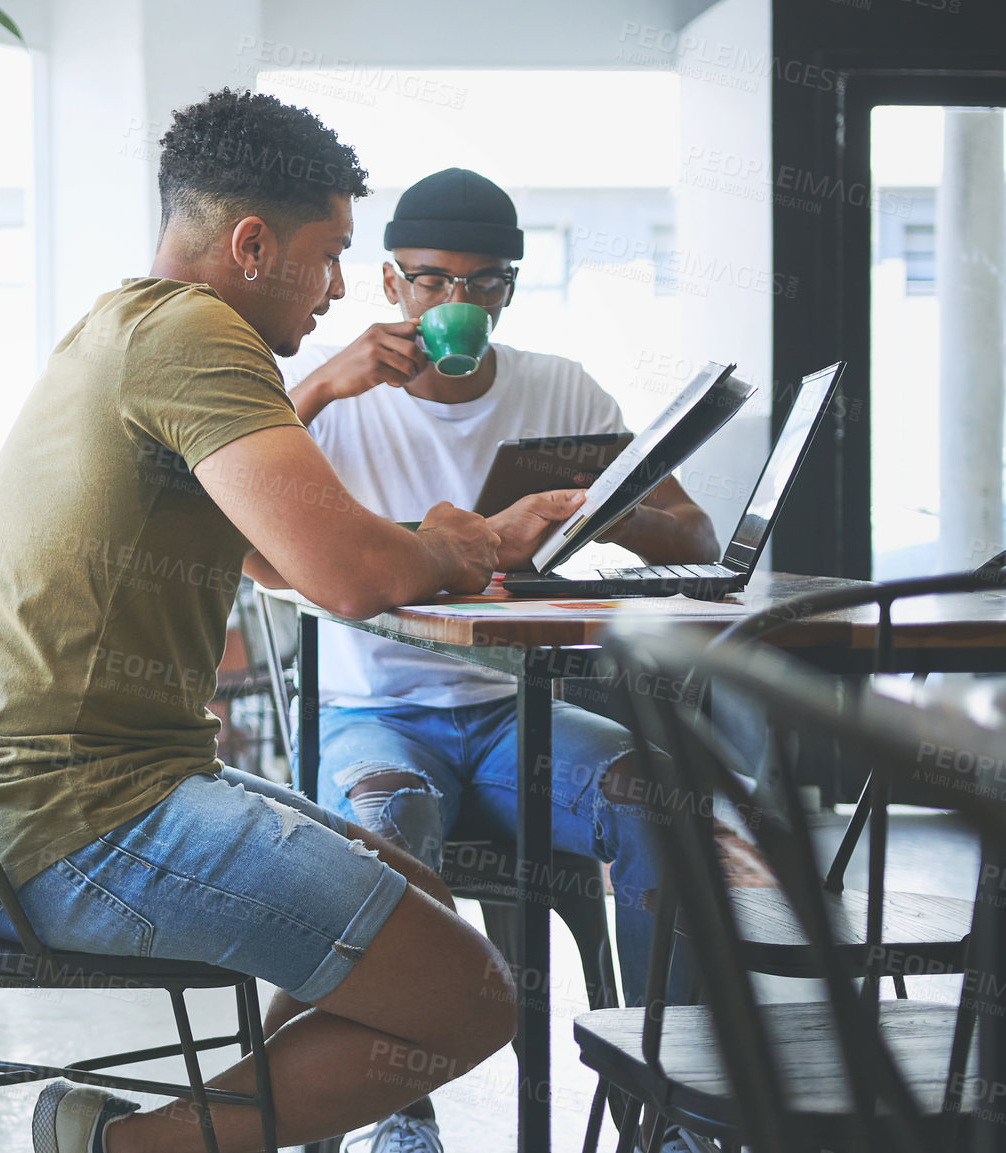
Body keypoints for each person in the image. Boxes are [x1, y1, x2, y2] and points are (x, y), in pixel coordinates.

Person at [0, 92, 578, 1153]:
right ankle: (124, 1148)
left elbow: (281, 552)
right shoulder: (196, 337)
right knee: (474, 999)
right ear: (251, 242)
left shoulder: (127, 323)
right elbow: (349, 576)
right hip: (73, 825)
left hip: (47, 803)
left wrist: (428, 541)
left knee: (410, 888)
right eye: (328, 258)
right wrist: (478, 544)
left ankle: (202, 1133)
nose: (333, 290)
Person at [278, 167, 715, 1153]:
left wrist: (600, 499)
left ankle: (667, 1104)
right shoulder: (335, 398)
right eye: (431, 282)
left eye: (482, 285)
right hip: (370, 713)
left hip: (509, 714)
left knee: (664, 793)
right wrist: (319, 383)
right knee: (389, 818)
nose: (455, 305)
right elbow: (237, 513)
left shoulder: (558, 388)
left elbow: (692, 535)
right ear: (393, 286)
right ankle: (396, 1115)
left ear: (508, 291)